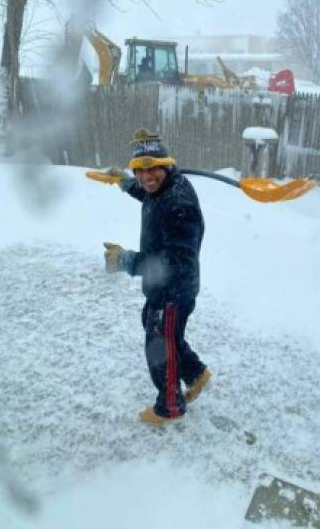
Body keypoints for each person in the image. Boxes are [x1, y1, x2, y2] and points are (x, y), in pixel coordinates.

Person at [103, 127, 211, 425]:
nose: (146, 179)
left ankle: (170, 407)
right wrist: (128, 185)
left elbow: (175, 260)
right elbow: (152, 195)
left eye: (152, 172)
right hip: (162, 289)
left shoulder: (179, 204)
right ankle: (196, 374)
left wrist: (127, 261)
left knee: (160, 348)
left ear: (166, 166)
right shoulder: (164, 189)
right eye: (139, 172)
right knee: (161, 334)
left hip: (174, 289)